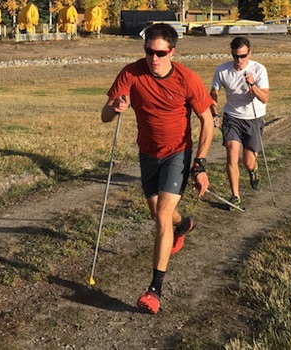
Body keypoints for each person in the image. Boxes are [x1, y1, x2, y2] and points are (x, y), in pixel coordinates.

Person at [102, 23, 214, 315]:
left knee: (161, 214)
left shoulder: (187, 79)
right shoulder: (131, 73)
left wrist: (199, 164)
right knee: (158, 214)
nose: (153, 58)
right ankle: (183, 225)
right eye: (149, 51)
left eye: (160, 53)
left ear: (172, 52)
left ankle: (154, 290)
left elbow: (207, 121)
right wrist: (115, 108)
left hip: (178, 152)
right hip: (147, 154)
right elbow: (104, 115)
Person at [210, 36, 269, 208]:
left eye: (243, 56)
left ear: (249, 53)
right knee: (231, 152)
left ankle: (253, 170)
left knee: (248, 161)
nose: (239, 60)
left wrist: (253, 85)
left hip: (253, 118)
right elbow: (213, 93)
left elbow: (265, 98)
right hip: (232, 117)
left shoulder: (259, 69)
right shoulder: (222, 70)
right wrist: (215, 113)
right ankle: (235, 196)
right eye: (236, 56)